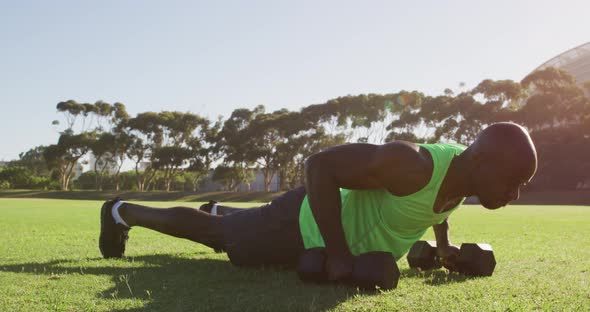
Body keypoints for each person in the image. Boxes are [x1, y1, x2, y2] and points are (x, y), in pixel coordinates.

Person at [99, 122, 537, 282]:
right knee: (220, 238)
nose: (515, 195)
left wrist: (443, 246)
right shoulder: (413, 164)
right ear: (481, 159)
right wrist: (341, 255)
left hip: (327, 238)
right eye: (513, 181)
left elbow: (438, 207)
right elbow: (319, 166)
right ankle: (122, 212)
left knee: (231, 226)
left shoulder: (462, 181)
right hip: (305, 222)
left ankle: (222, 209)